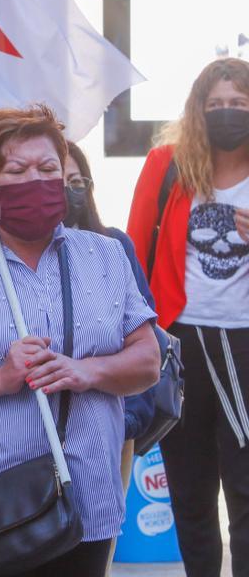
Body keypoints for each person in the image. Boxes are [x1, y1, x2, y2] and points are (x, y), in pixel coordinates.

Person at [0, 105, 160, 577]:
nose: (36, 182)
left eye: (48, 169)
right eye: (16, 172)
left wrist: (89, 372)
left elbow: (147, 360)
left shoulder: (103, 256)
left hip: (88, 500)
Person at [127, 57, 249, 577]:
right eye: (215, 104)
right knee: (190, 488)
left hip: (244, 346)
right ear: (198, 110)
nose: (226, 113)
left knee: (246, 488)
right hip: (176, 344)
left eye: (238, 105)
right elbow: (131, 254)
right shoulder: (167, 165)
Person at [63, 142, 158, 570]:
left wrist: (128, 421)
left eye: (75, 180)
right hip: (33, 434)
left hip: (108, 429)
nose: (67, 190)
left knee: (94, 551)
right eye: (55, 179)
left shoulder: (112, 246)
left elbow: (144, 342)